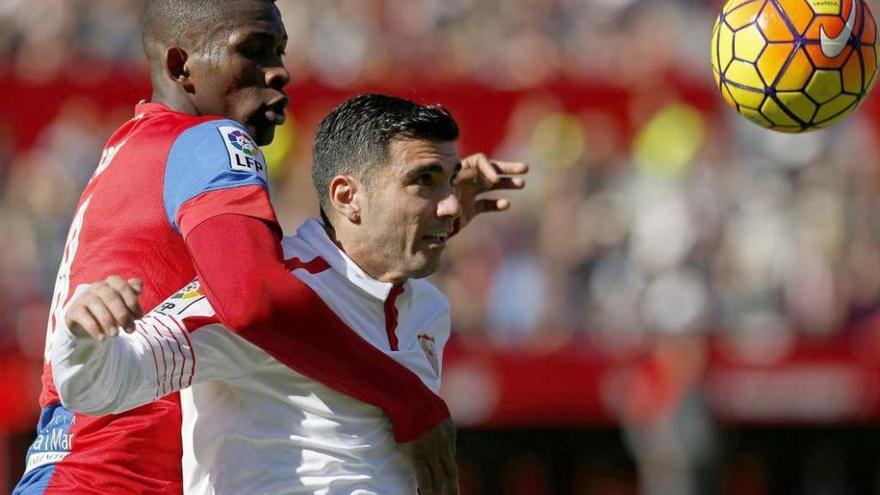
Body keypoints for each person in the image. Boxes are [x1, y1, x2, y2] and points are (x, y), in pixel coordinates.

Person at [13, 1, 528, 494]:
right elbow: (254, 298)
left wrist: (421, 213)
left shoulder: (136, 144)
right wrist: (409, 400)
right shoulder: (212, 139)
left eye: (280, 50)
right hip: (118, 475)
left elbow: (294, 279)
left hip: (74, 459)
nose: (279, 71)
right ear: (180, 65)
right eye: (253, 50)